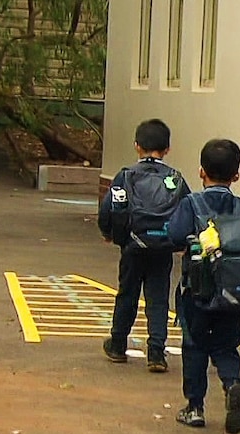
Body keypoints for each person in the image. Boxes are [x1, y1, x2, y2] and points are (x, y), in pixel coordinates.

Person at [167, 139, 240, 434]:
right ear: (236, 176)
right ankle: (232, 384)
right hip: (233, 293)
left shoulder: (192, 204)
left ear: (201, 172)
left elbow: (174, 234)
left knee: (195, 346)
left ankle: (195, 407)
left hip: (198, 291)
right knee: (227, 346)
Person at [98, 119, 190, 372]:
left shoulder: (126, 175)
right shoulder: (175, 178)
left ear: (137, 146)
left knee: (127, 293)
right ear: (167, 149)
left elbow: (109, 207)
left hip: (132, 245)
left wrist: (109, 232)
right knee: (158, 298)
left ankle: (118, 344)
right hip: (163, 246)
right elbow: (188, 209)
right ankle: (156, 352)